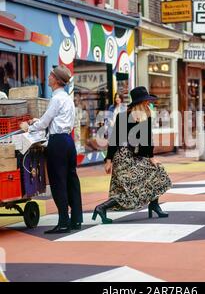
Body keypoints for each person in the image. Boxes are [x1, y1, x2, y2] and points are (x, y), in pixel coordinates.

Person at [92, 86, 172, 224]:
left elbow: (148, 140)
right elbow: (115, 139)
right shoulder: (123, 117)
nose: (148, 103)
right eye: (146, 101)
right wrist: (109, 160)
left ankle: (154, 205)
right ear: (139, 103)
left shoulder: (146, 117)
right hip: (123, 157)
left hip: (137, 156)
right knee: (129, 188)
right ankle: (101, 208)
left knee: (158, 170)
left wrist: (152, 157)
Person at [20, 65, 83, 234]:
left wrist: (28, 127)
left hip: (57, 143)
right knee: (72, 180)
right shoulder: (67, 98)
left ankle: (63, 222)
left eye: (50, 75)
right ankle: (77, 219)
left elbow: (45, 122)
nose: (48, 77)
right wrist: (38, 121)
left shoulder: (56, 99)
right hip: (68, 142)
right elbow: (54, 119)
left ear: (56, 80)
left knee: (58, 182)